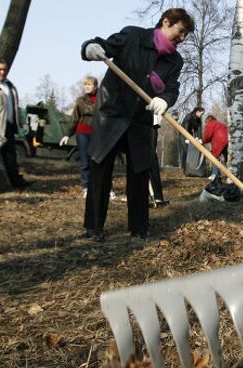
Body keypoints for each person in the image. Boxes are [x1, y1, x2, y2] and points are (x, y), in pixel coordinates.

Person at [80, 8, 194, 241]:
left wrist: (165, 99)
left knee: (140, 171)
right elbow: (104, 46)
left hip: (140, 120)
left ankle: (139, 227)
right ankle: (94, 227)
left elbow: (172, 88)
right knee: (100, 169)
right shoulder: (133, 36)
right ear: (166, 22)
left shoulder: (175, 61)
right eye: (180, 31)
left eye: (185, 35)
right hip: (112, 113)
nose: (181, 39)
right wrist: (89, 47)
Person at [0, 58, 33, 189]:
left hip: (9, 127)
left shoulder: (10, 86)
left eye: (4, 69)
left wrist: (23, 123)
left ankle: (16, 183)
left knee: (10, 157)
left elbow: (16, 107)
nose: (2, 72)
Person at [60, 76, 117, 199]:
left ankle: (106, 189)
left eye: (89, 84)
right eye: (85, 85)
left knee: (100, 161)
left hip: (98, 133)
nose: (87, 86)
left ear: (96, 86)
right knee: (85, 161)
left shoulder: (103, 98)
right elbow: (75, 117)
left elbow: (109, 115)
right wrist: (67, 134)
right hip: (83, 133)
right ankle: (86, 187)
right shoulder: (80, 100)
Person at [201, 115, 229, 181]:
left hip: (218, 142)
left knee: (214, 158)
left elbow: (207, 135)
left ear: (207, 121)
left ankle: (215, 174)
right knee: (227, 157)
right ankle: (232, 173)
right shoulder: (220, 124)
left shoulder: (210, 124)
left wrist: (202, 141)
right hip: (228, 141)